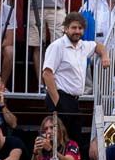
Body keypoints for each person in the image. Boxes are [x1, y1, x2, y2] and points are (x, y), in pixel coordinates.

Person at [42, 12, 111, 149]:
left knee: (74, 142)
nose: (77, 31)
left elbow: (98, 46)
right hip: (60, 98)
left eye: (80, 28)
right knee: (59, 142)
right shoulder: (57, 46)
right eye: (73, 28)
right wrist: (57, 102)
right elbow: (47, 74)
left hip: (73, 101)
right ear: (65, 28)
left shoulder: (83, 46)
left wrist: (105, 56)